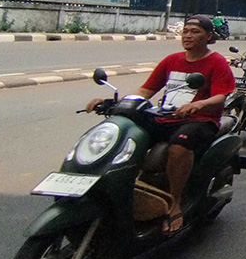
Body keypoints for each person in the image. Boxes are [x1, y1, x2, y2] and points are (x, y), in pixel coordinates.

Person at [86, 14, 234, 234]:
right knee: (126, 130)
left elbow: (221, 96)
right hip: (166, 116)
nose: (188, 36)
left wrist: (199, 105)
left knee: (179, 146)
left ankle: (174, 202)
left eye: (195, 32)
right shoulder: (171, 60)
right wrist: (114, 103)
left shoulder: (217, 62)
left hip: (201, 120)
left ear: (209, 36)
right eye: (185, 31)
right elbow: (145, 91)